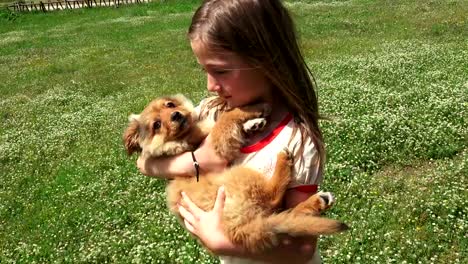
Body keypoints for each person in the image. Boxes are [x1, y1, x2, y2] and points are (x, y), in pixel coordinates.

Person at [137, 0, 326, 263]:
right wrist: (196, 161)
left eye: (221, 71)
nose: (210, 85)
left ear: (265, 60)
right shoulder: (212, 111)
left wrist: (221, 242)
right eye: (205, 70)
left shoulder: (297, 139)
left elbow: (302, 248)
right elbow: (144, 161)